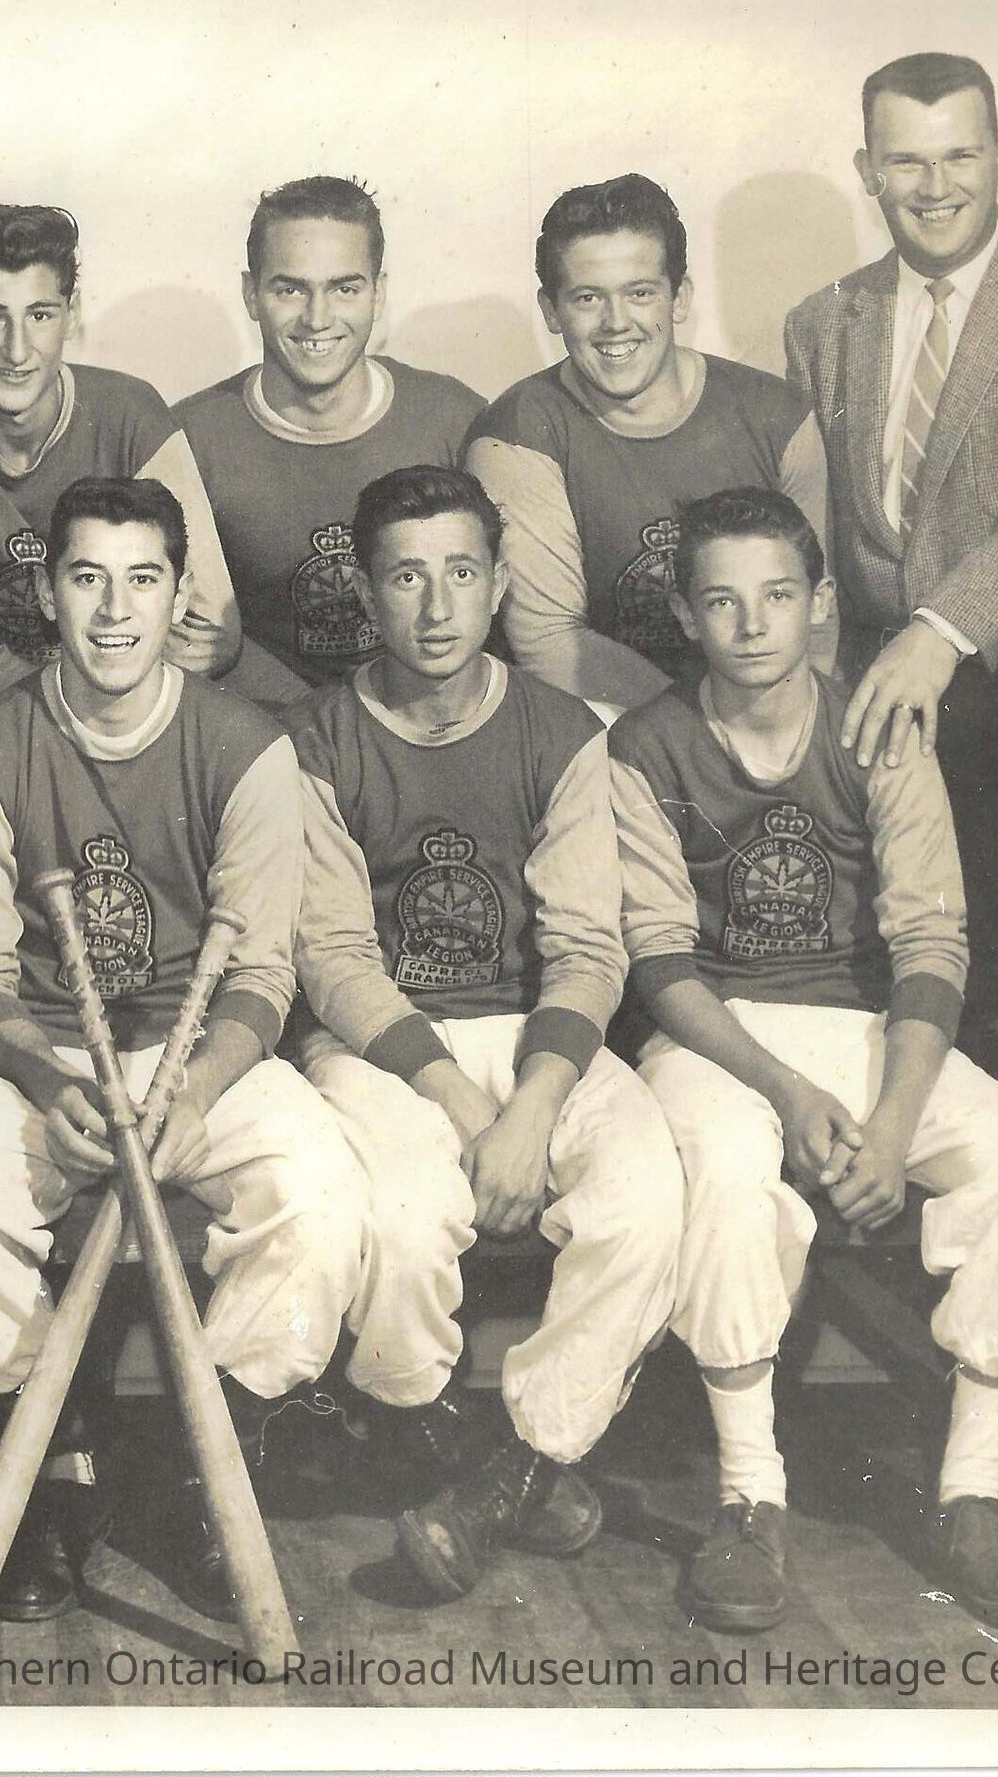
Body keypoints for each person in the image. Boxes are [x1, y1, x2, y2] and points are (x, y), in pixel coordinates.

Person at [607, 486, 998, 1635]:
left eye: (777, 594)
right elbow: (659, 961)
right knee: (725, 1173)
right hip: (715, 1033)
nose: (752, 623)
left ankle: (974, 1489)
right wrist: (788, 1091)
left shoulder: (877, 726)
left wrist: (892, 1120)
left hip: (865, 1027)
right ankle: (749, 1496)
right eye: (722, 600)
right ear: (686, 612)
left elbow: (931, 941)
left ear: (820, 601)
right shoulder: (643, 745)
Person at [0, 476, 364, 1625]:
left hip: (198, 1055)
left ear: (180, 595)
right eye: (87, 577)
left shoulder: (246, 744)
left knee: (320, 1195)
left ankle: (196, 1464)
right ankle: (50, 1465)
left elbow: (262, 973)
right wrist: (46, 1078)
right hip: (37, 1056)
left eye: (142, 579)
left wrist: (196, 1088)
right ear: (46, 594)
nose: (115, 610)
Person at [287, 465, 683, 1604]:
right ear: (366, 594)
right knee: (406, 1214)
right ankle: (427, 1430)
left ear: (501, 582)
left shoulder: (562, 730)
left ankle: (515, 1470)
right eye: (406, 577)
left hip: (537, 1035)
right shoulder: (311, 738)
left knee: (647, 1195)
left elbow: (588, 947)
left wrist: (533, 1104)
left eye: (462, 572)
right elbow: (335, 959)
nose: (437, 605)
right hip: (382, 1045)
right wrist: (468, 1108)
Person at [783, 51, 998, 1129]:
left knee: (961, 722)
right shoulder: (822, 321)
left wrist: (940, 632)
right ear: (868, 171)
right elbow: (815, 526)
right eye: (906, 161)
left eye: (961, 156)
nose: (936, 187)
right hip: (886, 648)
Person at [467, 174, 830, 710]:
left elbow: (815, 617)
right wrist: (699, 734)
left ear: (678, 298)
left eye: (640, 293)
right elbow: (550, 641)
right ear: (551, 310)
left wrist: (790, 726)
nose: (616, 323)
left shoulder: (777, 414)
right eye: (587, 298)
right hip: (609, 720)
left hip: (765, 714)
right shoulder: (517, 434)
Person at [0, 203, 240, 707]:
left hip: (110, 709)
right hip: (3, 717)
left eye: (40, 315)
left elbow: (210, 628)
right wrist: (101, 682)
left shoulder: (131, 411)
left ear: (73, 314)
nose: (17, 350)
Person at [175, 177, 486, 705]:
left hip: (428, 721)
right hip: (271, 727)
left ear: (378, 293)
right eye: (290, 289)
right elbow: (195, 647)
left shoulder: (453, 419)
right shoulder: (190, 439)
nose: (317, 318)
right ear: (251, 294)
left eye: (344, 288)